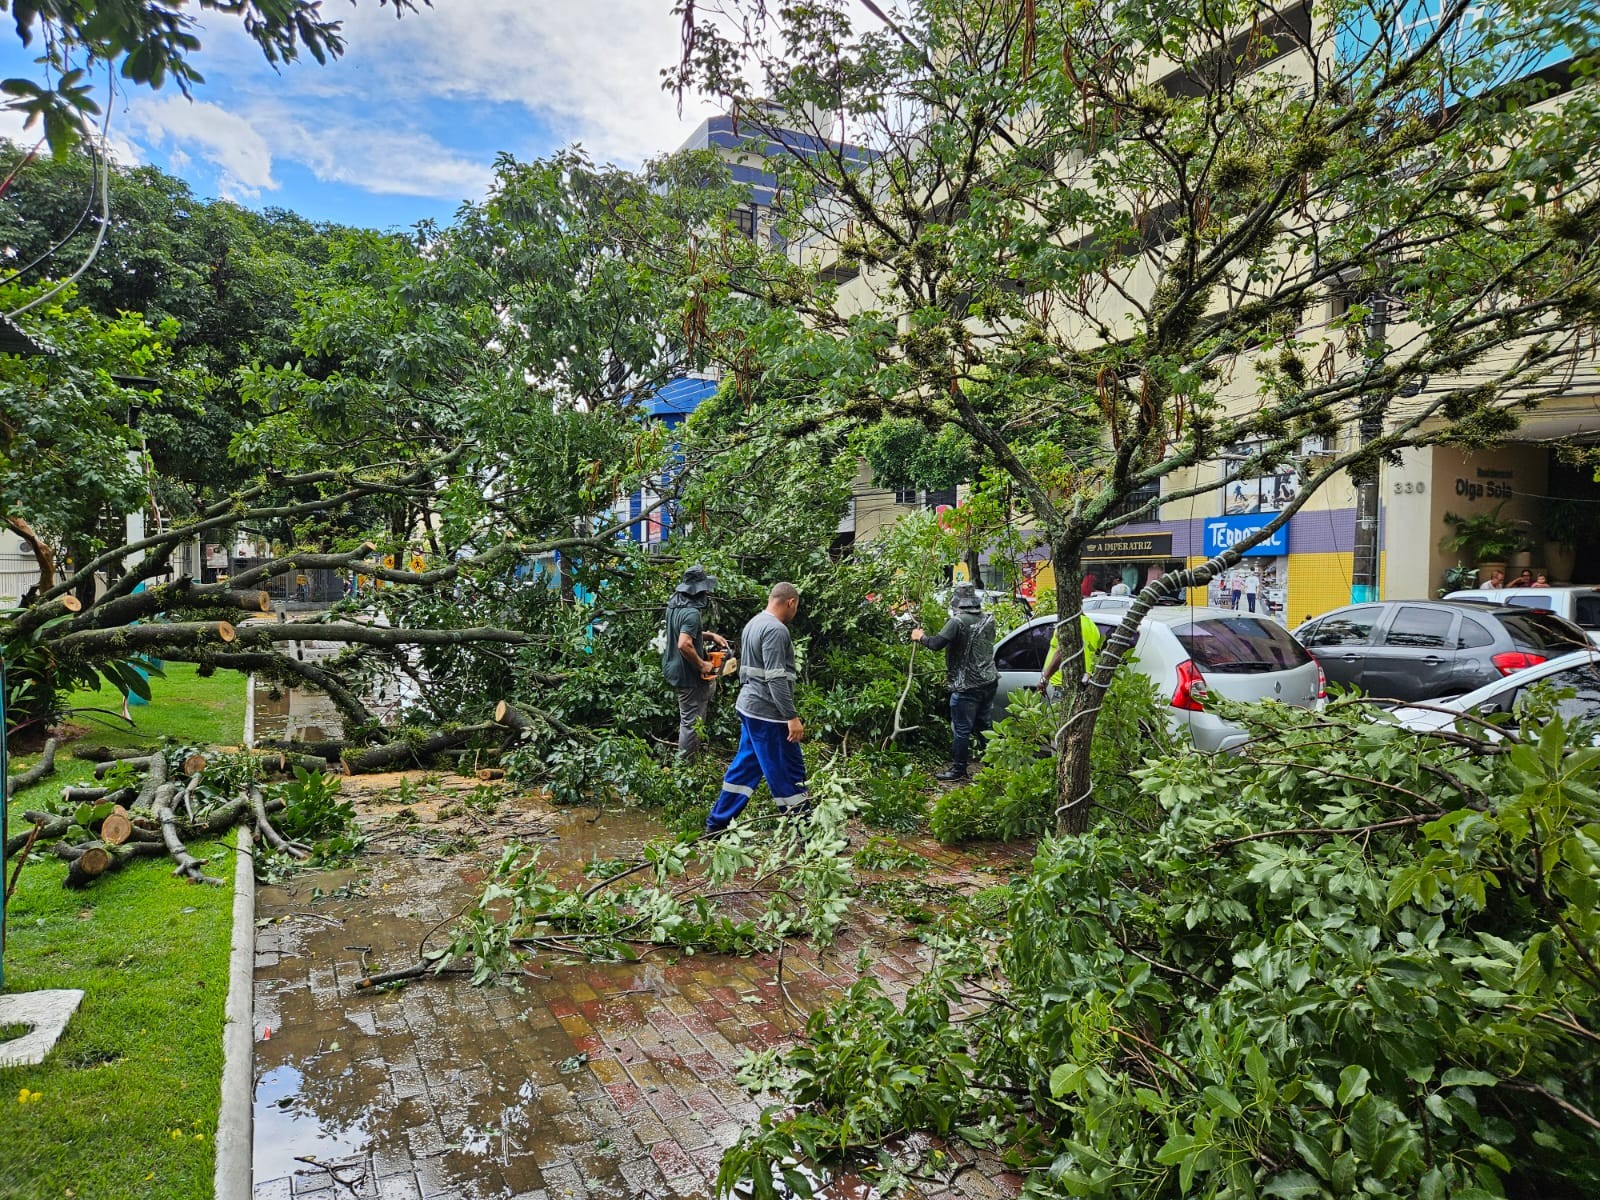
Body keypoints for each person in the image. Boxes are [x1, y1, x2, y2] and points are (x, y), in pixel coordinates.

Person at [706, 582, 808, 833]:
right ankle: (808, 831)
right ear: (791, 602)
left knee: (745, 769)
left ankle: (716, 825)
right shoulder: (776, 630)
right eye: (796, 607)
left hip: (751, 707)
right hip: (768, 713)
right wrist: (791, 717)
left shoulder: (754, 623)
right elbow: (775, 677)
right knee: (787, 771)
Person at [912, 582, 999, 781]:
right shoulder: (988, 619)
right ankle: (994, 766)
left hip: (966, 685)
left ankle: (959, 770)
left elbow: (936, 644)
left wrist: (920, 636)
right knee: (984, 726)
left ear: (957, 602)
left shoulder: (957, 622)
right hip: (989, 680)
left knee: (961, 730)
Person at [661, 565, 729, 761]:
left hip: (674, 668)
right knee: (690, 723)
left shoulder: (674, 606)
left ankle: (689, 761)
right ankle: (685, 768)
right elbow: (684, 643)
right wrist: (702, 665)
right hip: (688, 674)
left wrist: (710, 635)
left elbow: (683, 632)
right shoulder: (692, 613)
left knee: (688, 719)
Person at [1036, 611, 1104, 700]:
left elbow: (1062, 651)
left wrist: (1045, 678)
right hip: (1082, 684)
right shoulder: (1092, 626)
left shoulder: (1068, 624)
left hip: (1063, 686)